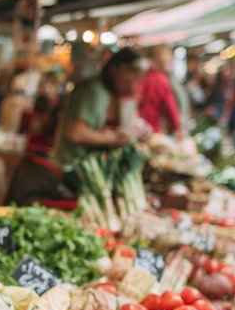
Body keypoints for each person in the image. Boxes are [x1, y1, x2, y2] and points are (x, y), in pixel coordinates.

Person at [8, 48, 144, 205]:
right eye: (128, 80)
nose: (131, 86)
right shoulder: (94, 91)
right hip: (70, 169)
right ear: (114, 69)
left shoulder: (99, 90)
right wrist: (112, 138)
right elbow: (76, 133)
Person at [137, 45, 183, 137]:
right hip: (153, 129)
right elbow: (170, 108)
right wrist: (178, 130)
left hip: (138, 127)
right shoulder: (161, 79)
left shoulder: (140, 75)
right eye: (169, 62)